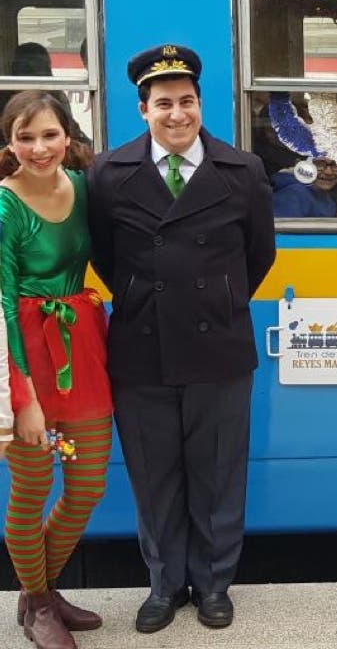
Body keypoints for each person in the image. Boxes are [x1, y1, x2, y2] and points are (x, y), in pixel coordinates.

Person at [87, 44, 275, 633]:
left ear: (200, 104)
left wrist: (215, 298)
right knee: (154, 474)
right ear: (142, 109)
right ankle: (164, 586)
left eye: (187, 101)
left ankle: (215, 584)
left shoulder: (241, 171)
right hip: (141, 348)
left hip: (218, 346)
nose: (177, 113)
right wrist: (147, 297)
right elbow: (105, 257)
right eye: (163, 102)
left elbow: (258, 256)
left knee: (219, 472)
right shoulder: (108, 175)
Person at [0, 90, 110, 649]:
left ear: (68, 136)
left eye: (49, 135)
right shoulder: (3, 205)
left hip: (81, 346)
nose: (38, 148)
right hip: (26, 355)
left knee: (88, 484)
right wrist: (25, 399)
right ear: (10, 143)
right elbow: (1, 303)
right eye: (25, 137)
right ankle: (41, 603)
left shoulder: (87, 189)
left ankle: (36, 590)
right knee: (33, 484)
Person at [272, 156, 337, 217]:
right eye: (319, 164)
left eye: (335, 165)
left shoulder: (324, 197)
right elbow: (281, 231)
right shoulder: (294, 194)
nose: (329, 172)